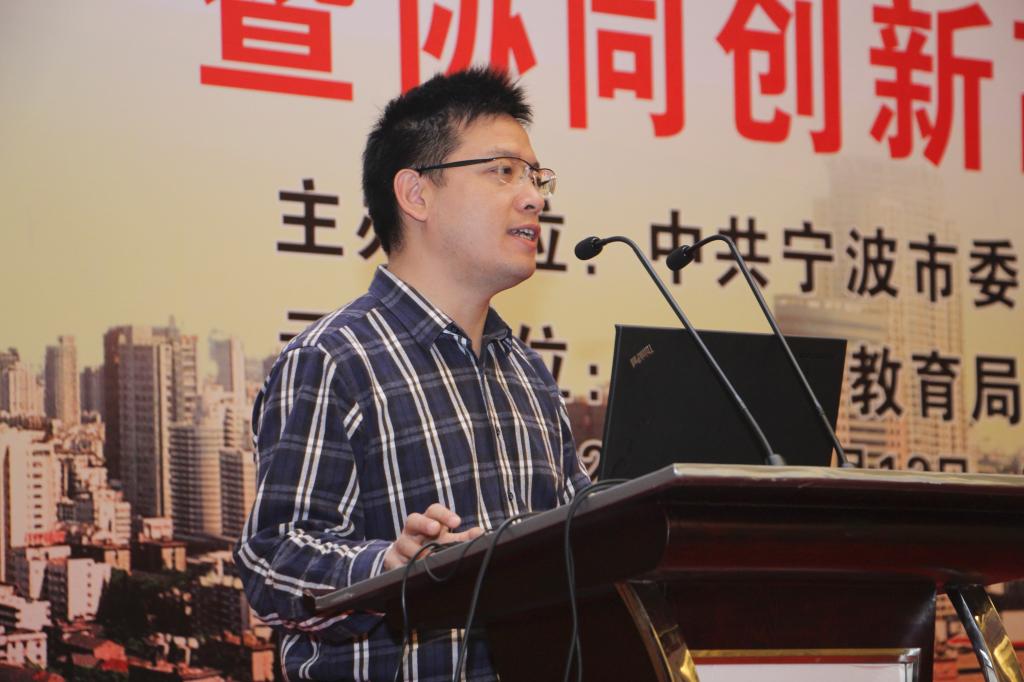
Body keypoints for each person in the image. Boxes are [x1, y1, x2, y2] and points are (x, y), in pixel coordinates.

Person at [234, 66, 591, 681]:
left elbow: (579, 542)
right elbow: (271, 561)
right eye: (503, 171)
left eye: (536, 177)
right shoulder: (334, 359)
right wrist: (388, 567)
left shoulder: (528, 374)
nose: (534, 197)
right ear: (416, 194)